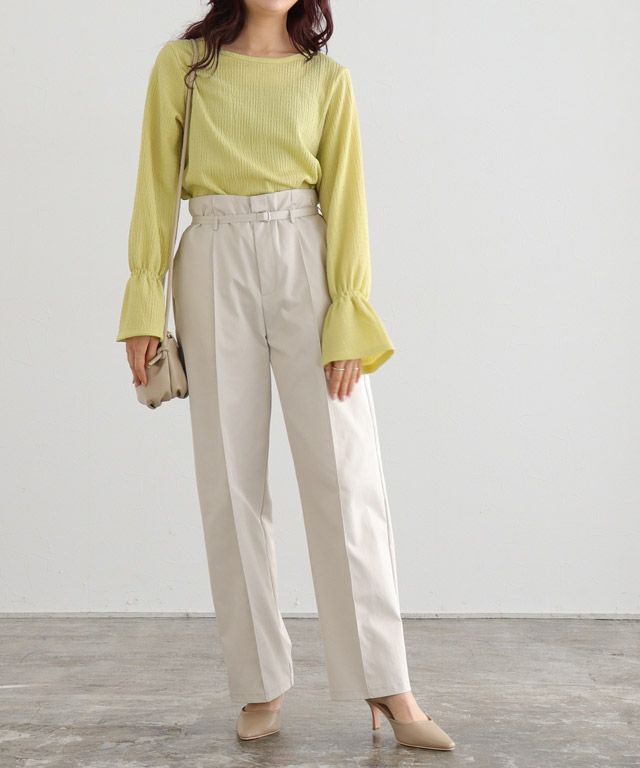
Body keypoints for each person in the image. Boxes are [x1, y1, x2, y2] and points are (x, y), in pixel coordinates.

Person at [115, 0, 454, 751]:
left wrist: (349, 313)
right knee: (230, 480)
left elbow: (348, 202)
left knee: (346, 475)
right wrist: (143, 302)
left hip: (307, 256)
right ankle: (258, 681)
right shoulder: (184, 67)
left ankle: (386, 679)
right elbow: (154, 185)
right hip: (212, 255)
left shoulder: (327, 79)